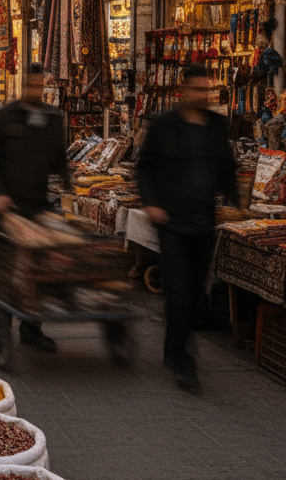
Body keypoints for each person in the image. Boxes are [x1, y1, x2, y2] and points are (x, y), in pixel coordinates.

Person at [137, 64, 238, 393]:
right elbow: (145, 167)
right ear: (183, 90)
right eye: (196, 90)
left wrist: (235, 202)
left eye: (205, 90)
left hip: (203, 222)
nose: (202, 95)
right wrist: (151, 203)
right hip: (172, 223)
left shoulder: (216, 126)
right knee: (179, 292)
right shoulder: (165, 125)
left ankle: (172, 347)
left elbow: (226, 167)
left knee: (193, 294)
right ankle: (184, 359)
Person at [0, 63, 68, 352]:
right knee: (6, 270)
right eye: (31, 86)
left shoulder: (53, 119)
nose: (35, 91)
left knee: (39, 269)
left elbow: (58, 158)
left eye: (40, 87)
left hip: (37, 206)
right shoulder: (6, 117)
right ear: (23, 86)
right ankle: (1, 327)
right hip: (7, 209)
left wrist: (68, 182)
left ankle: (32, 328)